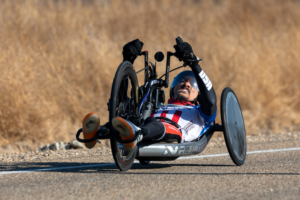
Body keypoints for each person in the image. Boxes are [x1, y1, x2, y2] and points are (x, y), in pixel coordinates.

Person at [82, 37, 217, 151]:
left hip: (172, 130)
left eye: (192, 84)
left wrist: (194, 63)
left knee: (154, 123)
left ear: (199, 97)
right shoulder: (158, 106)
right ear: (173, 88)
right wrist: (127, 61)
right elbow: (121, 104)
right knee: (128, 115)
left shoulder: (201, 113)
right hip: (142, 124)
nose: (186, 84)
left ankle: (134, 133)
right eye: (182, 81)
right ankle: (96, 132)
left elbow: (210, 100)